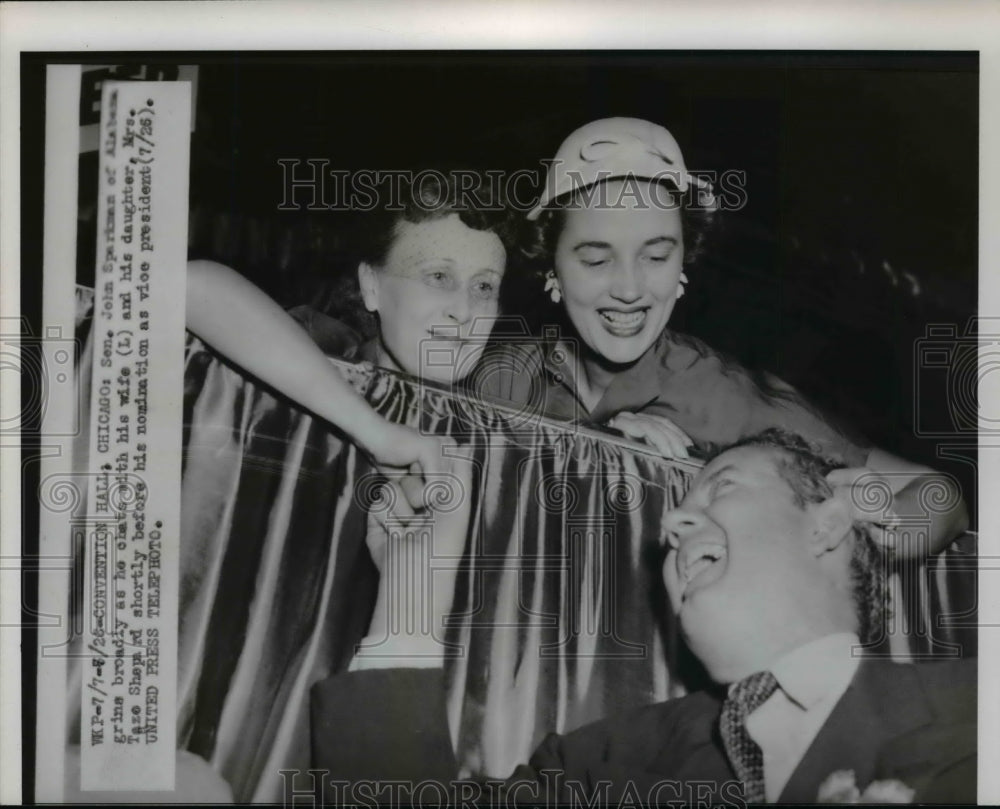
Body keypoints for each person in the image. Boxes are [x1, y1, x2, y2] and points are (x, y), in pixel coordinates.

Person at [310, 428, 975, 805]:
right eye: (679, 510)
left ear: (829, 523)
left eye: (725, 486)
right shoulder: (607, 765)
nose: (675, 522)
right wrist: (409, 594)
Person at [471, 117, 966, 555]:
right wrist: (598, 451)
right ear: (550, 265)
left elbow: (938, 495)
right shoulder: (491, 373)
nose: (628, 288)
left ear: (684, 260)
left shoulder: (719, 392)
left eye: (657, 256)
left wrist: (863, 528)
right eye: (596, 260)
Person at [185, 170, 514, 509]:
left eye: (484, 286)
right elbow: (191, 286)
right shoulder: (319, 353)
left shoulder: (495, 439)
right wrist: (374, 431)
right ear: (371, 285)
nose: (463, 310)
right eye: (439, 276)